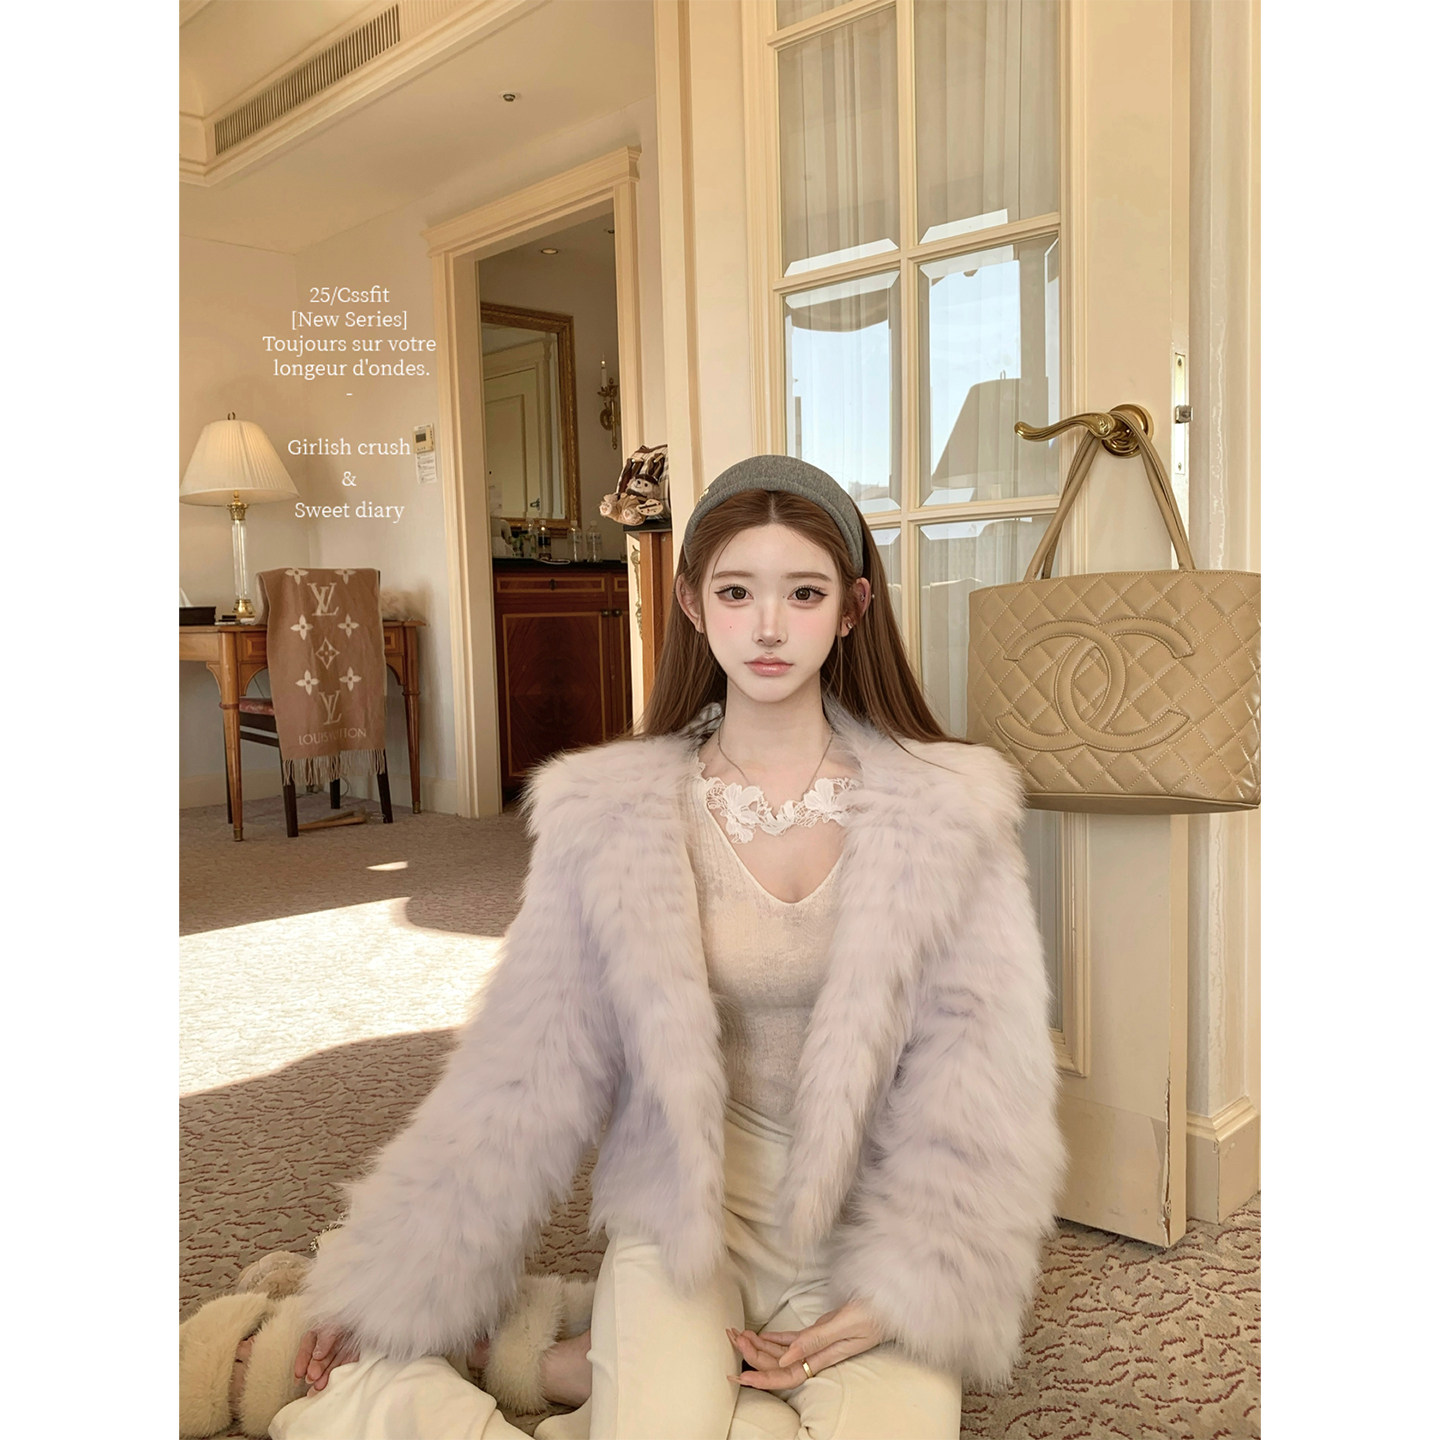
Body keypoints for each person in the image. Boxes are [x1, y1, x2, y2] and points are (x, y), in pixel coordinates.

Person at [241, 454, 1064, 1438]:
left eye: (803, 593)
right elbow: (523, 1068)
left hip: (871, 1229)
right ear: (690, 602)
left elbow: (984, 1077)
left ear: (852, 608)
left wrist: (913, 1287)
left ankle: (563, 1362)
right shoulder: (610, 813)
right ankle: (411, 1392)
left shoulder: (950, 810)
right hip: (685, 1220)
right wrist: (385, 1283)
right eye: (736, 592)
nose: (768, 627)